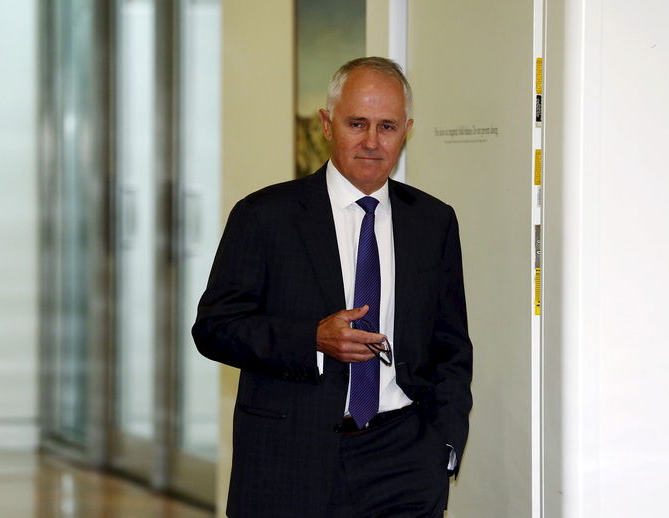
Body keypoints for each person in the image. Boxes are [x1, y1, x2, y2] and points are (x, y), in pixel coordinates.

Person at [192, 57, 472, 518]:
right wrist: (312, 340)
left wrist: (442, 446)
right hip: (289, 460)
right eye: (356, 123)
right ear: (327, 124)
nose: (371, 141)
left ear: (407, 131)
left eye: (387, 126)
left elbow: (452, 346)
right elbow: (215, 327)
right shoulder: (265, 216)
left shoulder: (433, 221)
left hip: (404, 459)